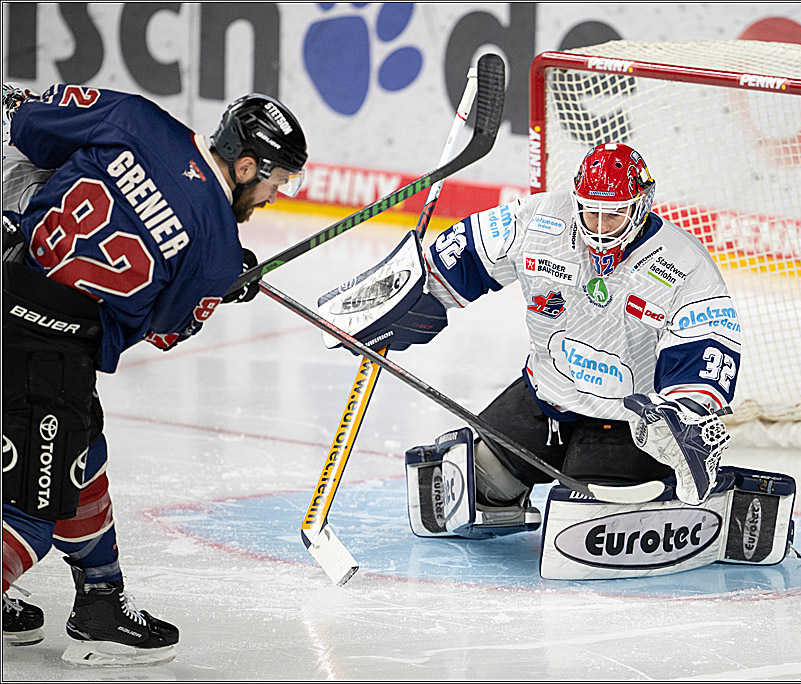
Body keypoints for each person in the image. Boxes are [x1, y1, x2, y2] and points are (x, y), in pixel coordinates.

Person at [2, 83, 307, 665]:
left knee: (80, 457)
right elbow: (159, 329)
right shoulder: (216, 254)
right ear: (246, 167)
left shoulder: (136, 117)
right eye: (278, 180)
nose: (277, 194)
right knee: (29, 515)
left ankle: (101, 601)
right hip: (41, 348)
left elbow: (31, 133)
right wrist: (220, 287)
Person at [318, 142, 750, 545]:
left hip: (624, 423)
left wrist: (682, 415)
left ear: (640, 208)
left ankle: (706, 502)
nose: (599, 229)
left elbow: (706, 349)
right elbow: (458, 257)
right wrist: (405, 302)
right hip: (542, 401)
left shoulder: (684, 264)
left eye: (613, 216)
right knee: (473, 484)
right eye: (590, 213)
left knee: (589, 522)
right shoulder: (539, 219)